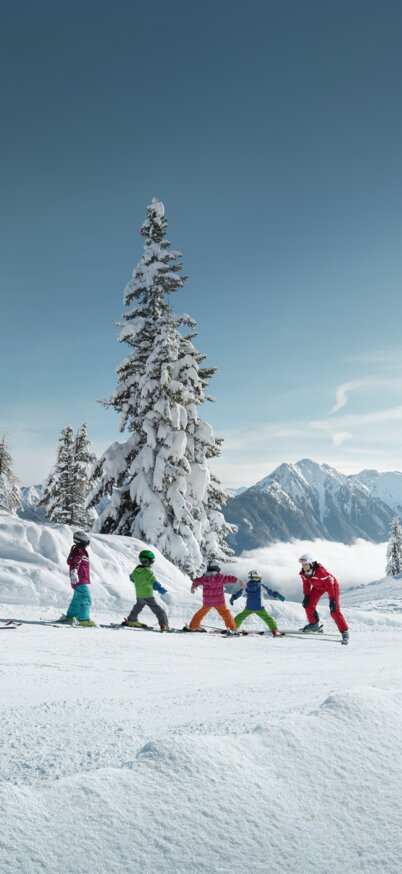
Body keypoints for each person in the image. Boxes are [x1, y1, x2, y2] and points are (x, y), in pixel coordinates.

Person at [298, 552, 349, 644]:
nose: (304, 566)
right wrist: (306, 596)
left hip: (332, 586)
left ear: (311, 564)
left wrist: (332, 600)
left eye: (305, 564)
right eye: (302, 564)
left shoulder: (321, 572)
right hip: (318, 587)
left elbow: (329, 585)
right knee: (308, 604)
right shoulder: (303, 573)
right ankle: (314, 625)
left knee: (334, 610)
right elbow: (306, 584)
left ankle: (344, 631)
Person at [186, 561, 243, 632]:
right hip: (219, 601)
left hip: (208, 601)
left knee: (201, 612)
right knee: (225, 613)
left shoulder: (204, 578)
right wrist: (240, 581)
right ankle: (232, 628)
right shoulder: (220, 577)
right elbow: (230, 578)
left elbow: (197, 581)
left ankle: (194, 625)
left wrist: (193, 586)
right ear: (216, 568)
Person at [123, 549, 170, 631]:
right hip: (148, 596)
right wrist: (161, 589)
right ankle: (164, 624)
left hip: (139, 595)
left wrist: (139, 580)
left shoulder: (136, 570)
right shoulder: (148, 572)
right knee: (159, 611)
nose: (152, 564)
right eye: (151, 562)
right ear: (148, 562)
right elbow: (154, 583)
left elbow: (131, 578)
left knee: (137, 607)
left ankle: (131, 620)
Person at [230, 570, 285, 636]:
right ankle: (275, 630)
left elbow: (239, 593)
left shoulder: (247, 586)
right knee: (267, 618)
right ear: (258, 578)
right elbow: (270, 592)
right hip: (260, 607)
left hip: (249, 607)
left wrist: (233, 598)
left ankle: (233, 628)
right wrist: (279, 596)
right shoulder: (261, 586)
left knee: (240, 617)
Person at [62, 531, 96, 626]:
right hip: (79, 578)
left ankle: (71, 616)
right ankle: (84, 619)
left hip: (79, 578)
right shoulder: (79, 551)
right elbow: (75, 562)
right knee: (86, 598)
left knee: (77, 598)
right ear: (83, 541)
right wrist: (74, 572)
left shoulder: (79, 551)